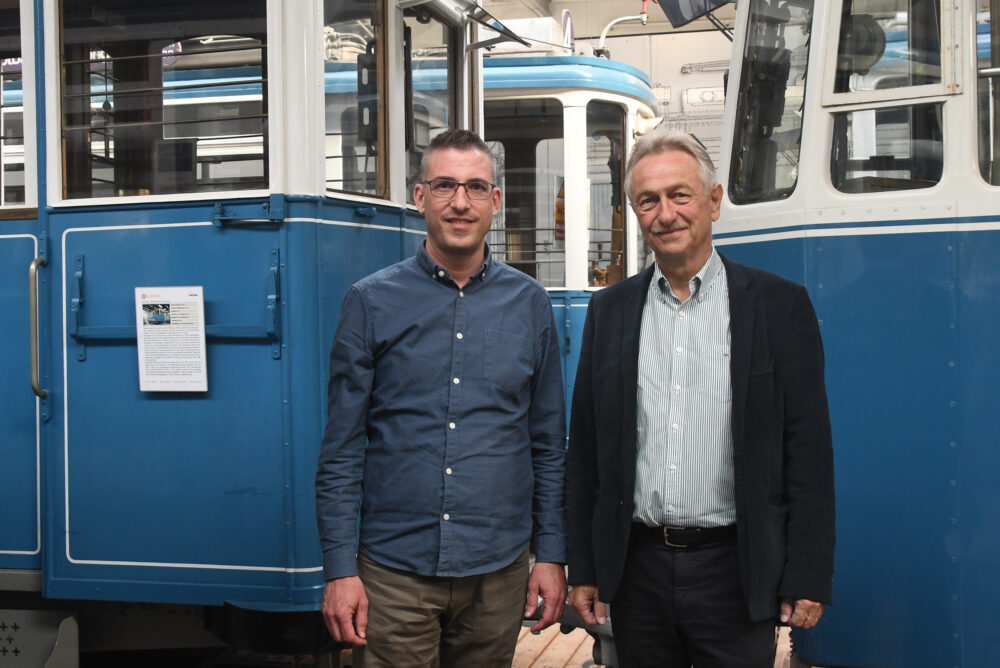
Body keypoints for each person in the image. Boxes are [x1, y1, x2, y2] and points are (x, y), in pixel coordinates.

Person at [566, 128, 835, 668]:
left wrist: (807, 572)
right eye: (648, 200)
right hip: (636, 571)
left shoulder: (779, 307)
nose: (665, 214)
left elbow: (807, 452)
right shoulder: (610, 312)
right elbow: (587, 453)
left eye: (679, 195)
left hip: (735, 571)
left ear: (713, 201)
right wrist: (586, 567)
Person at [315, 129, 566, 667]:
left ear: (495, 201)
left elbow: (547, 446)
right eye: (445, 185)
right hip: (393, 574)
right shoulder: (370, 303)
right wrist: (340, 568)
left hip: (497, 576)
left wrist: (552, 555)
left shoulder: (530, 306)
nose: (460, 201)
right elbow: (341, 450)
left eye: (476, 187)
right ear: (419, 196)